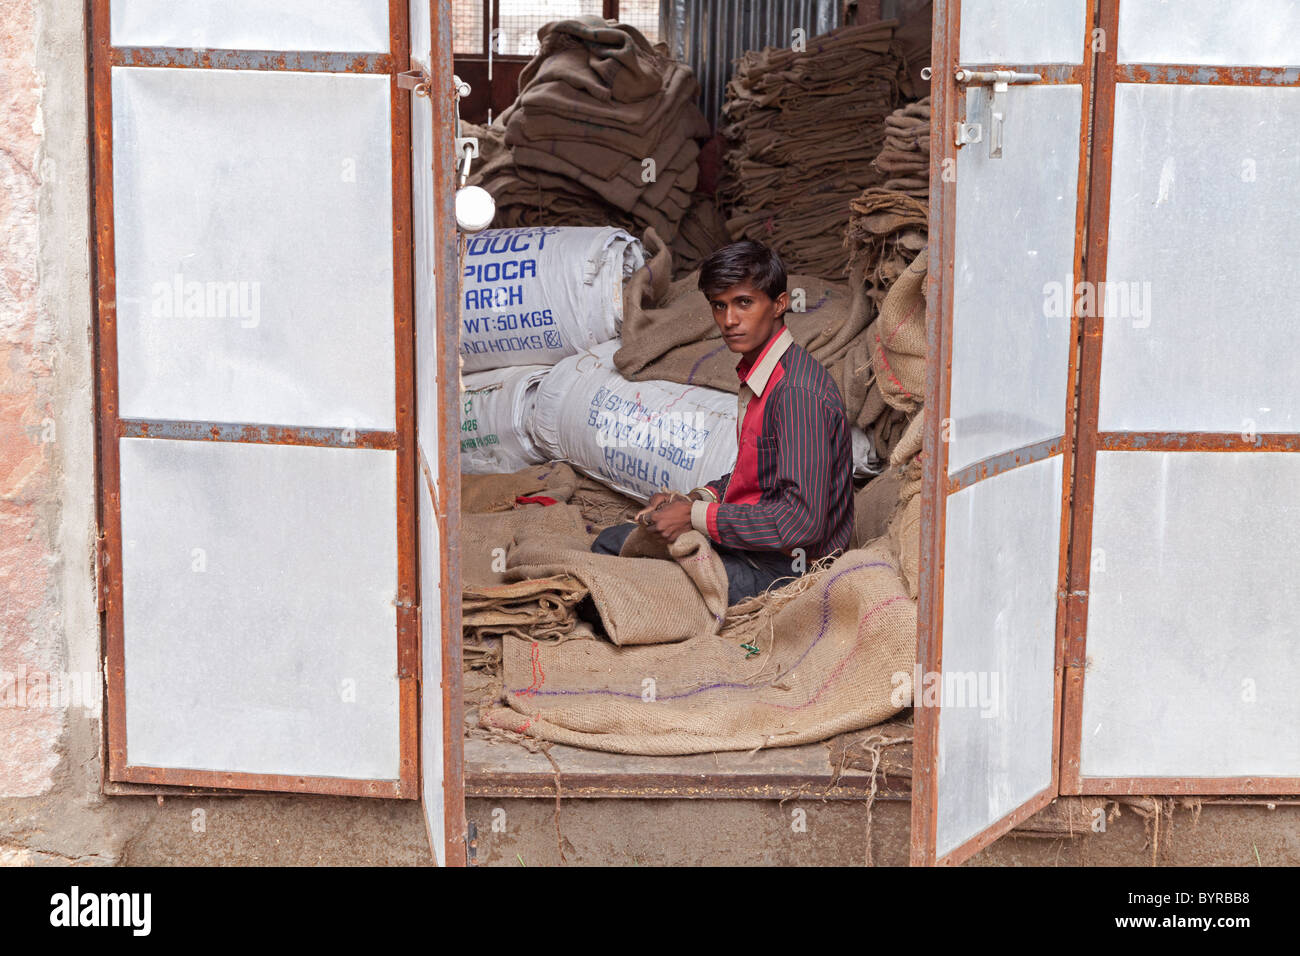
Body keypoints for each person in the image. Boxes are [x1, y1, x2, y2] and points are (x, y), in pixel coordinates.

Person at [590, 239, 854, 606]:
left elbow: (800, 523)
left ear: (779, 304)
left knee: (619, 572)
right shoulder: (764, 374)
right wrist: (693, 499)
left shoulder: (795, 392)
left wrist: (695, 517)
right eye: (720, 305)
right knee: (617, 542)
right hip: (757, 550)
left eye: (744, 303)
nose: (729, 320)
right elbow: (761, 475)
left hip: (787, 569)